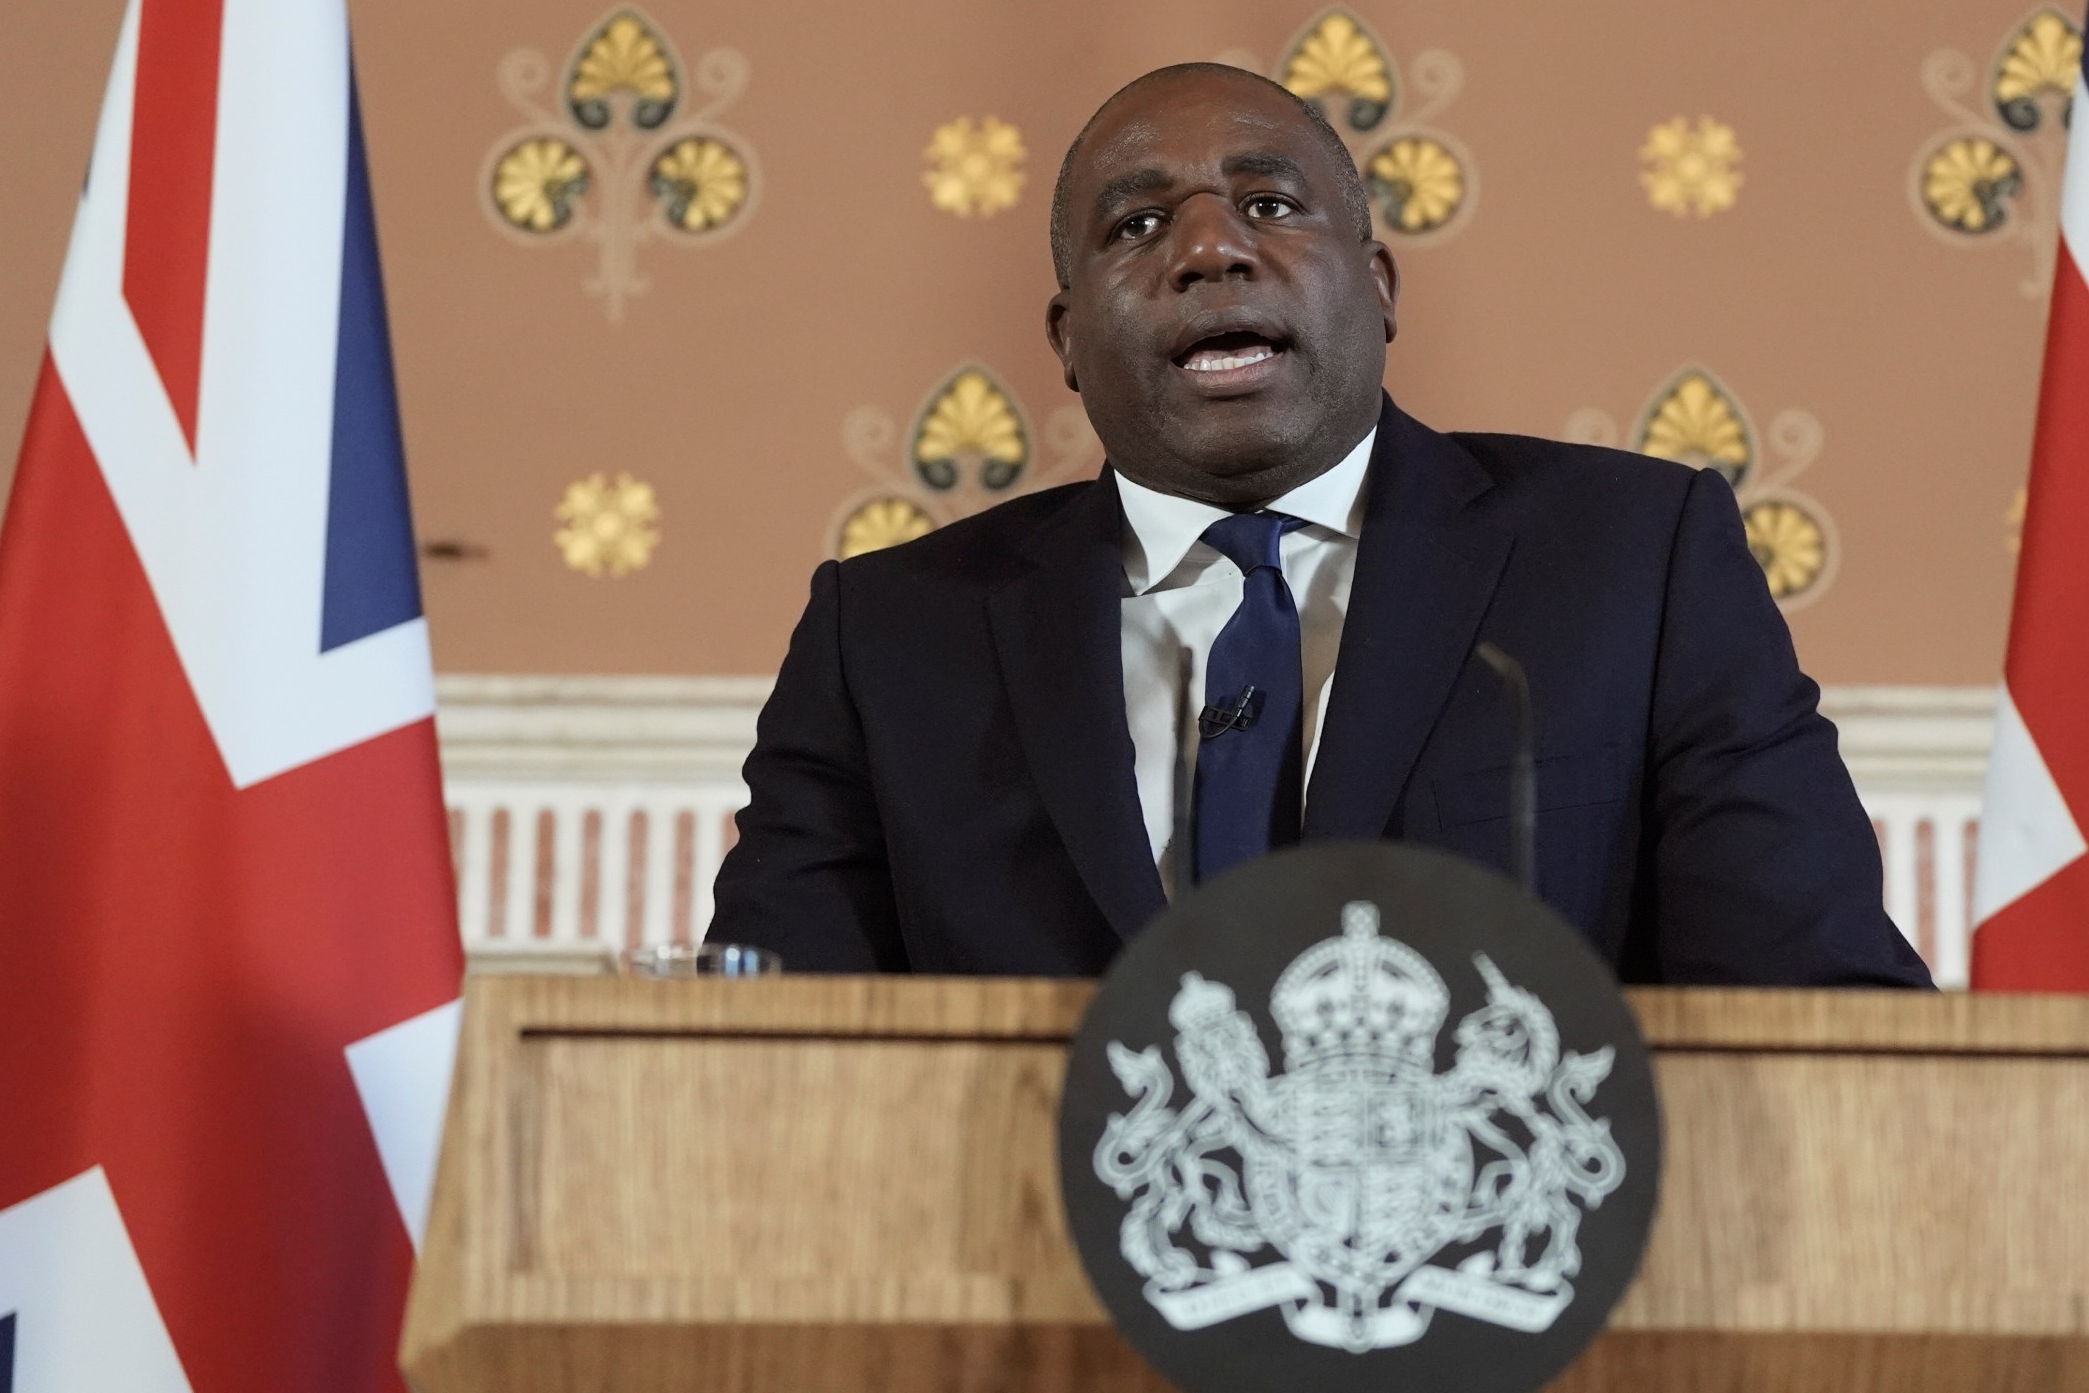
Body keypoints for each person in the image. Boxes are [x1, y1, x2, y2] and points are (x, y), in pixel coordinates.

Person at [708, 63, 1930, 988]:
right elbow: (763, 1066)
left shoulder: (1631, 563)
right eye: (1135, 227)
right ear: (1065, 341)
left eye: (1270, 202)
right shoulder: (889, 641)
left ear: (1381, 288)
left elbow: (1819, 1008)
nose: (1208, 248)